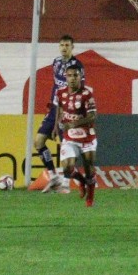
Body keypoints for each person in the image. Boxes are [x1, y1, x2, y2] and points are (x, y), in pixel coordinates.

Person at [33, 37, 84, 190]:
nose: (64, 48)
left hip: (68, 110)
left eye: (67, 45)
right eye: (61, 45)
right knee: (38, 142)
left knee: (66, 148)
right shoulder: (56, 63)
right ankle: (53, 176)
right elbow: (56, 86)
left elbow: (79, 90)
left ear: (72, 47)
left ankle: (66, 184)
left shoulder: (77, 66)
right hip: (54, 109)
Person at [53, 61, 99, 207]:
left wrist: (74, 124)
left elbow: (92, 116)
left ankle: (90, 199)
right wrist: (55, 126)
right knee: (67, 168)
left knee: (89, 169)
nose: (72, 78)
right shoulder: (60, 93)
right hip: (70, 137)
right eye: (69, 75)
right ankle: (82, 181)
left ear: (81, 77)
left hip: (87, 138)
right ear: (65, 77)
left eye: (75, 75)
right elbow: (60, 109)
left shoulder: (86, 94)